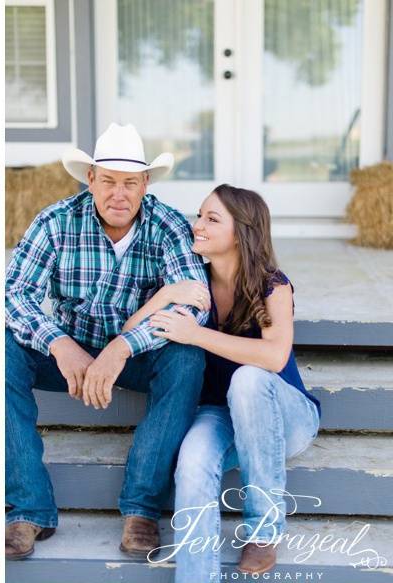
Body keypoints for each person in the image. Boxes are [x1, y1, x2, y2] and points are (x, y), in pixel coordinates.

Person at [5, 123, 209, 560]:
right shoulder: (56, 222)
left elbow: (193, 306)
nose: (119, 194)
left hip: (135, 356)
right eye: (109, 181)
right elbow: (13, 294)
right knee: (5, 351)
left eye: (130, 183)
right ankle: (28, 509)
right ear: (90, 179)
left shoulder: (168, 225)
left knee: (187, 356)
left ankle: (141, 509)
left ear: (145, 184)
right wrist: (60, 344)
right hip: (68, 356)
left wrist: (121, 347)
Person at [123, 184, 320, 580]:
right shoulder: (191, 285)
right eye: (198, 216)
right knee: (193, 464)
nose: (197, 226)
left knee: (248, 379)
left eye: (211, 219)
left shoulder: (271, 285)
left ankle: (264, 530)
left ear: (242, 232)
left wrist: (195, 335)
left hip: (285, 417)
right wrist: (165, 294)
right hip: (219, 414)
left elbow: (274, 357)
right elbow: (128, 334)